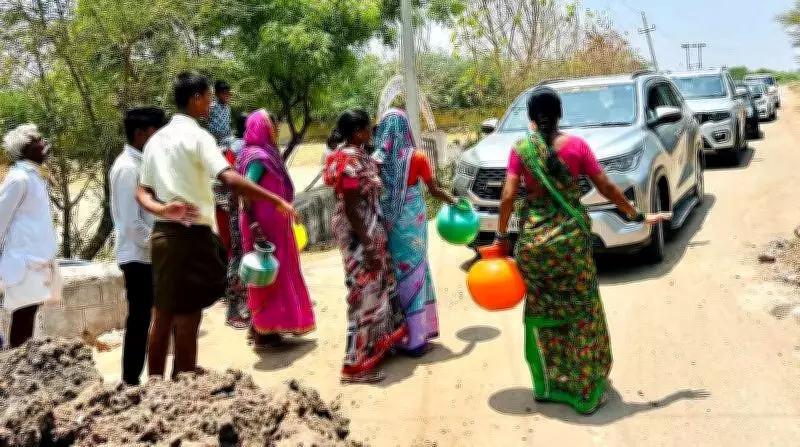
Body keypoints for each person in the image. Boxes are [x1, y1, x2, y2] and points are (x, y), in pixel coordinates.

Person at [496, 88, 671, 415]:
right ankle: (586, 392)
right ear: (560, 114)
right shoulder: (576, 147)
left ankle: (547, 387)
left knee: (542, 314)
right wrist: (637, 215)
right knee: (581, 315)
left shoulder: (520, 149)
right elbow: (606, 187)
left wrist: (502, 236)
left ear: (530, 117)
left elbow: (507, 196)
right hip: (571, 246)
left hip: (534, 246)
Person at [136, 72, 297, 379]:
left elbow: (141, 191)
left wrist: (162, 209)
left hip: (162, 235)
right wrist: (276, 200)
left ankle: (156, 385)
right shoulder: (198, 137)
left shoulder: (156, 140)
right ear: (195, 98)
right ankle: (183, 382)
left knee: (162, 314)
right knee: (187, 316)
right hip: (191, 235)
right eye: (208, 99)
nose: (211, 105)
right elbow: (229, 177)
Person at [323, 109, 407, 384]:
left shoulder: (358, 155)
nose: (372, 132)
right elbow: (349, 205)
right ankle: (355, 365)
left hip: (369, 229)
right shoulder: (348, 159)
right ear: (358, 131)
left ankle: (374, 349)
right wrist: (369, 244)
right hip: (359, 235)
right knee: (362, 293)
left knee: (376, 289)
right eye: (369, 128)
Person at [373, 108, 457, 357]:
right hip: (413, 221)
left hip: (388, 222)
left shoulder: (377, 160)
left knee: (395, 272)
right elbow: (433, 190)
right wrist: (453, 200)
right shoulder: (417, 157)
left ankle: (397, 335)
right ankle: (417, 338)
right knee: (416, 269)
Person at [237, 109, 315, 349]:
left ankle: (262, 326)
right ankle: (265, 332)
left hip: (274, 223)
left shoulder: (265, 155)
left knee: (276, 273)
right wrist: (254, 224)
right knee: (268, 275)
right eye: (272, 123)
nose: (276, 127)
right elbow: (246, 190)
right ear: (262, 128)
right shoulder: (258, 157)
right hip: (262, 225)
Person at [110, 107, 166, 385]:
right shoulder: (126, 168)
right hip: (137, 255)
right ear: (140, 133)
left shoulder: (142, 163)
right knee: (139, 320)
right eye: (155, 133)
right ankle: (130, 380)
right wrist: (158, 243)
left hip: (147, 253)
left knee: (151, 317)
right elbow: (131, 223)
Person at [0, 124, 58, 349]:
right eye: (39, 141)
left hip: (36, 261)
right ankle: (17, 370)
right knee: (24, 316)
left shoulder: (33, 177)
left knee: (30, 315)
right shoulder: (18, 179)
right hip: (23, 263)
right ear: (25, 149)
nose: (44, 145)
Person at [208, 80, 232, 144]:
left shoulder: (228, 108)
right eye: (223, 93)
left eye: (228, 93)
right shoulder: (212, 106)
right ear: (217, 94)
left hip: (226, 141)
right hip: (214, 140)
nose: (226, 96)